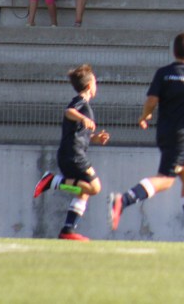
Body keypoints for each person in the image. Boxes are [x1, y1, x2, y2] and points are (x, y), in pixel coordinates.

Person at [109, 31, 184, 247]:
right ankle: (123, 200)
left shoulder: (163, 73)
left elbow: (152, 99)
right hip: (182, 135)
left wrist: (145, 116)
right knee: (166, 180)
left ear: (174, 52)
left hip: (164, 132)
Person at [32, 64, 111, 241]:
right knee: (95, 187)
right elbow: (69, 112)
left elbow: (79, 134)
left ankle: (67, 230)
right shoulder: (80, 101)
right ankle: (52, 181)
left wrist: (95, 138)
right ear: (89, 85)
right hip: (74, 155)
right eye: (95, 82)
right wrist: (83, 118)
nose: (97, 86)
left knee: (83, 190)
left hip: (70, 154)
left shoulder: (84, 105)